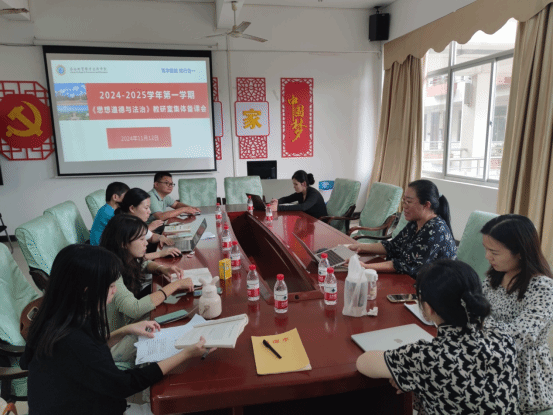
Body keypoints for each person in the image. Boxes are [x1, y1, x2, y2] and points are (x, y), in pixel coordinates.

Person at [20, 244, 213, 415]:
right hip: (93, 407)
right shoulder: (73, 339)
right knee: (184, 404)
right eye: (111, 285)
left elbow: (88, 352)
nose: (115, 290)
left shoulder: (54, 316)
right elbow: (124, 384)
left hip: (76, 402)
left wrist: (126, 330)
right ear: (87, 291)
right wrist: (186, 353)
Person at [356, 259, 520, 415]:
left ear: (428, 308)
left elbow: (363, 362)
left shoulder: (427, 357)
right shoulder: (504, 339)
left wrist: (406, 374)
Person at [481, 214, 553, 415]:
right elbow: (475, 307)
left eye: (494, 252)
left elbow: (520, 335)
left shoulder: (542, 287)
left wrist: (479, 322)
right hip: (488, 358)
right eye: (486, 249)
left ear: (520, 252)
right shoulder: (495, 277)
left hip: (522, 375)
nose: (487, 257)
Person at [100, 214, 194, 364]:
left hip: (126, 326)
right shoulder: (111, 271)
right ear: (123, 243)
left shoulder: (124, 257)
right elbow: (134, 308)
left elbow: (142, 264)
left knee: (167, 314)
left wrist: (162, 268)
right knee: (164, 325)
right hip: (112, 344)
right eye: (141, 239)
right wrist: (175, 285)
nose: (146, 243)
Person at [348, 179, 456, 277]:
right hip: (409, 278)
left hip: (431, 286)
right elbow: (392, 246)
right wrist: (359, 247)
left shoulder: (435, 230)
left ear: (426, 205)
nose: (404, 206)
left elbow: (405, 265)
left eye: (409, 202)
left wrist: (364, 266)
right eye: (404, 201)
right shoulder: (415, 223)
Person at [117, 187, 181, 260]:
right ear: (132, 208)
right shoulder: (124, 226)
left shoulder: (135, 222)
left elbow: (151, 236)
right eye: (146, 208)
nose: (149, 212)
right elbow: (134, 259)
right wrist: (161, 253)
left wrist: (161, 237)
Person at [90, 182, 130, 246]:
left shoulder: (107, 209)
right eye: (125, 196)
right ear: (115, 197)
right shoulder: (108, 213)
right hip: (100, 248)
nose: (127, 200)